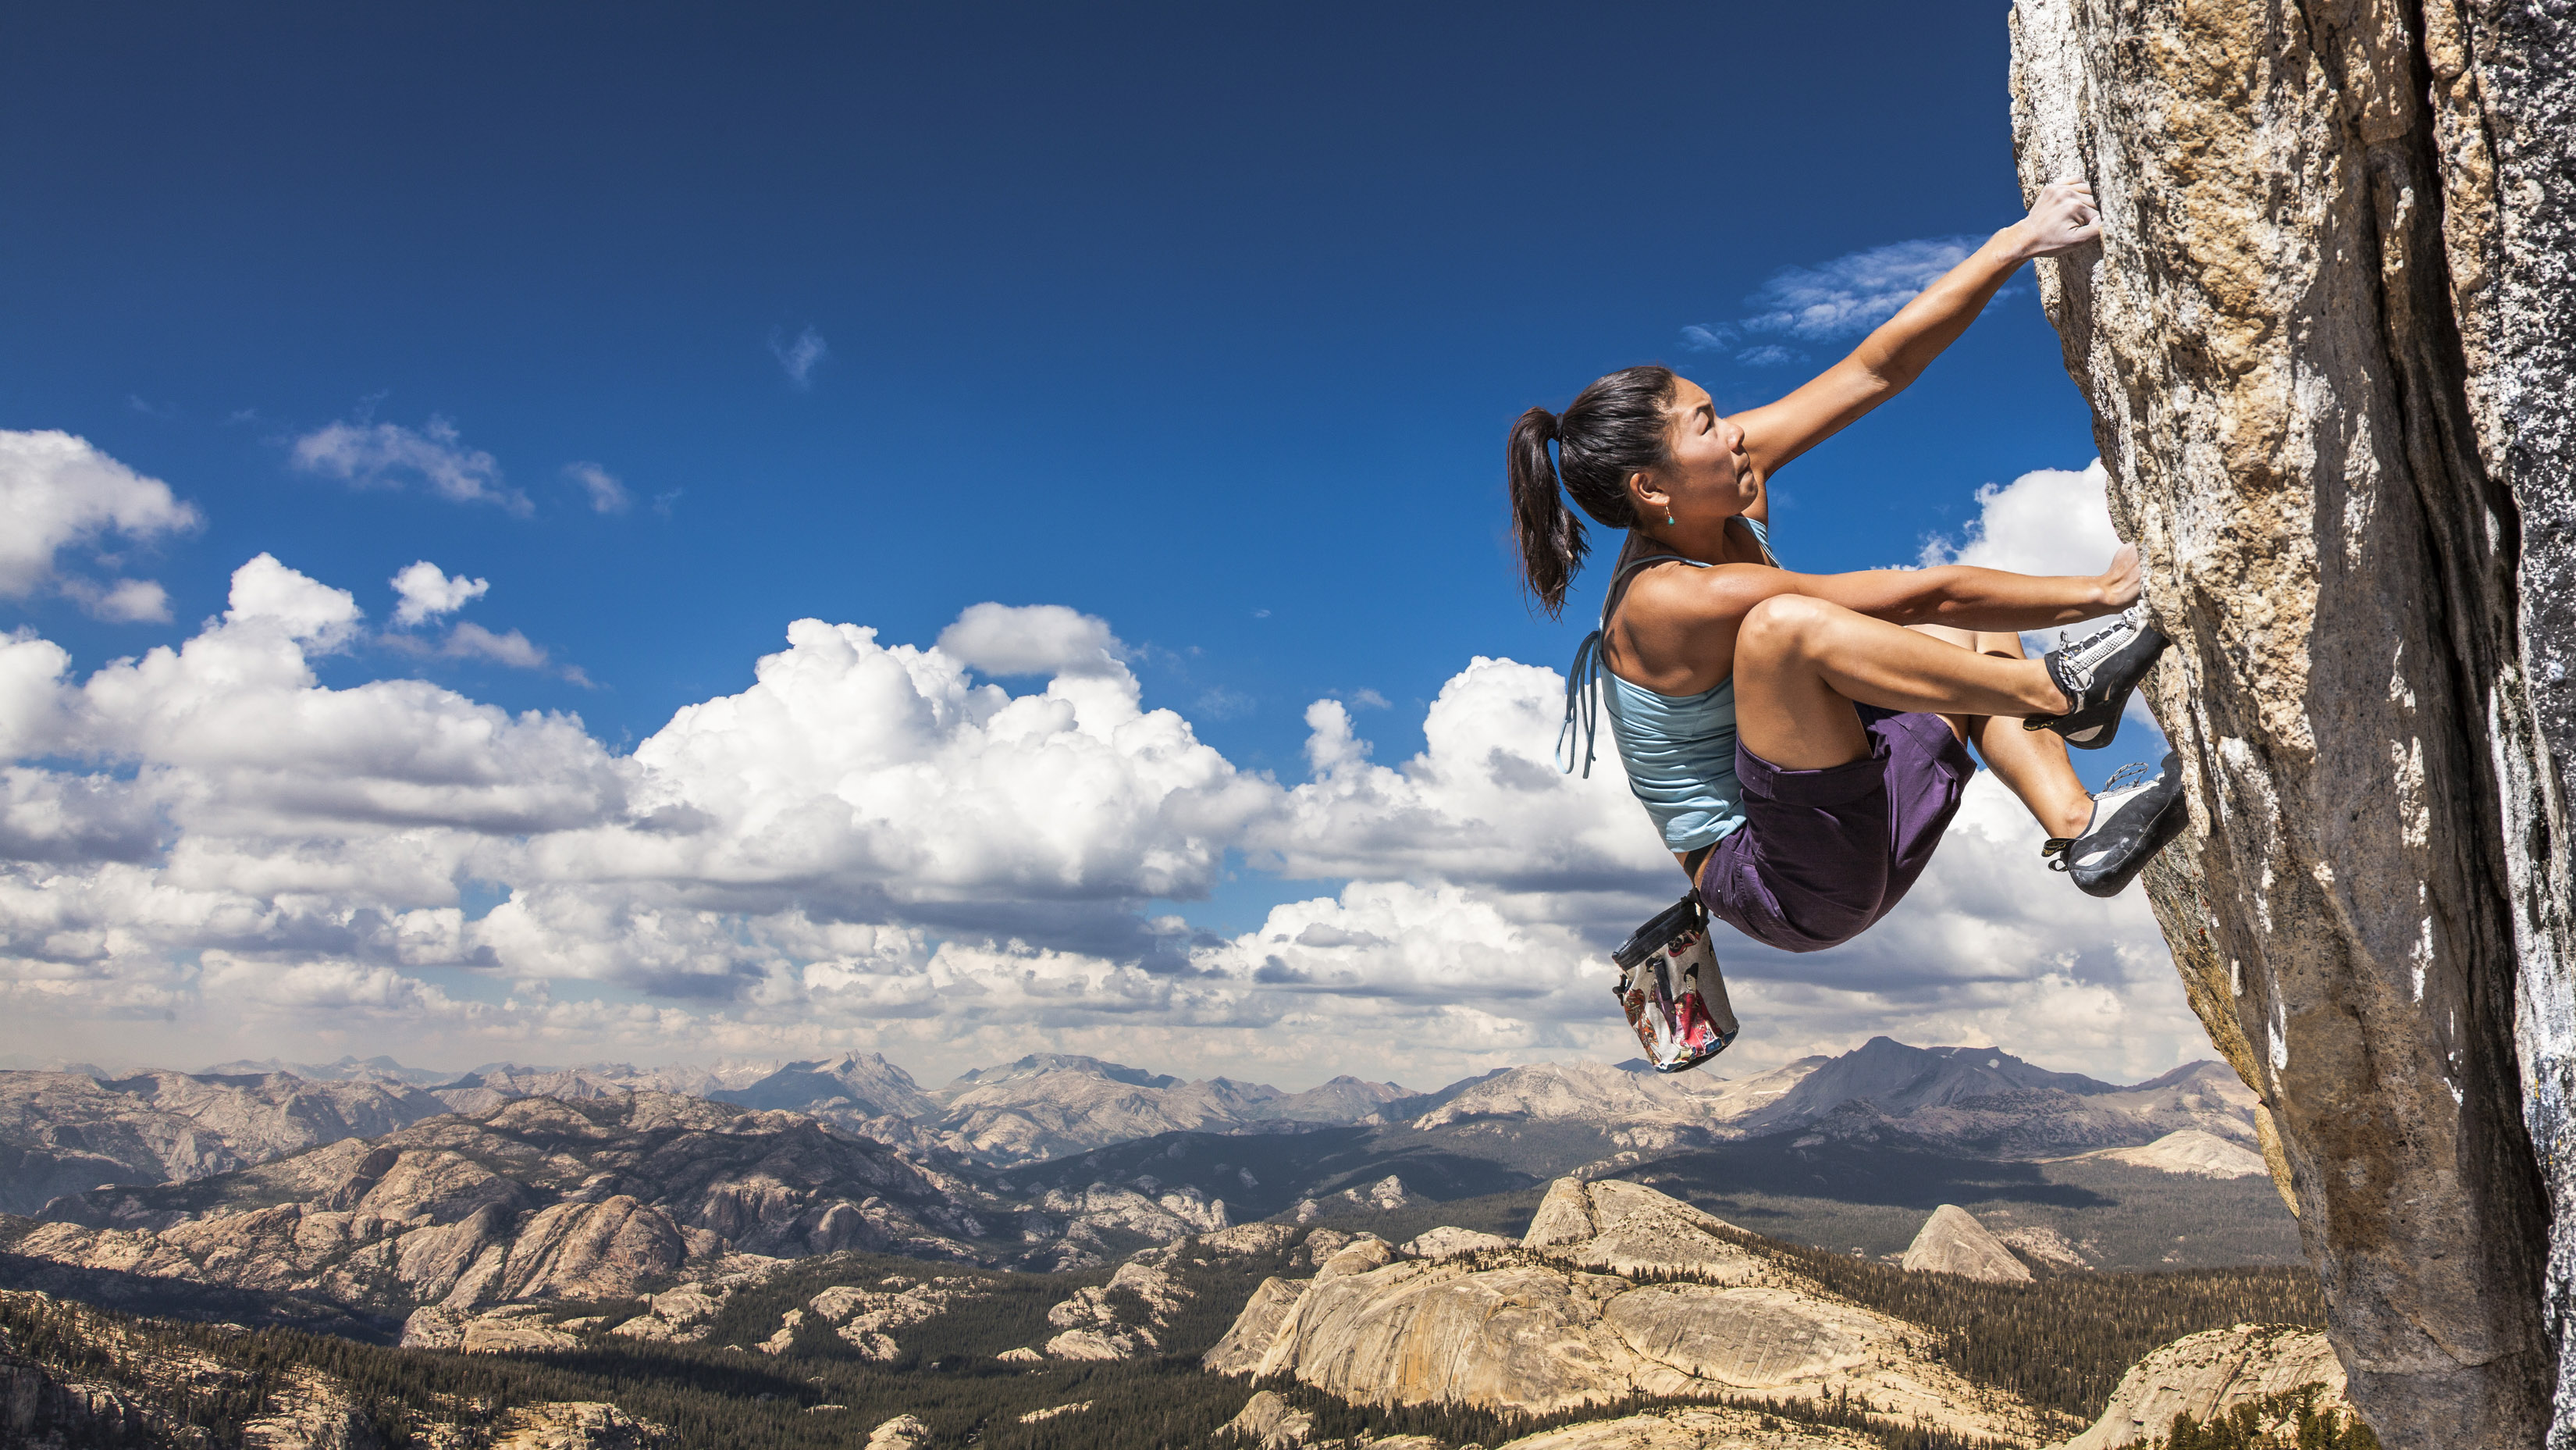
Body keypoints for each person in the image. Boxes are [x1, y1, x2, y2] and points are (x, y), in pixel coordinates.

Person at [1509, 179, 2188, 959]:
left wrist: (2017, 242)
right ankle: (2061, 693)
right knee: (1784, 630)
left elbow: (1877, 369)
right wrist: (2102, 595)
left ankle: (2084, 827)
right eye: (1706, 425)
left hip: (1853, 805)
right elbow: (1909, 595)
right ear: (1653, 486)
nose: (1734, 434)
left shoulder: (1724, 484)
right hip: (1785, 881)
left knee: (1956, 631)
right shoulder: (1663, 602)